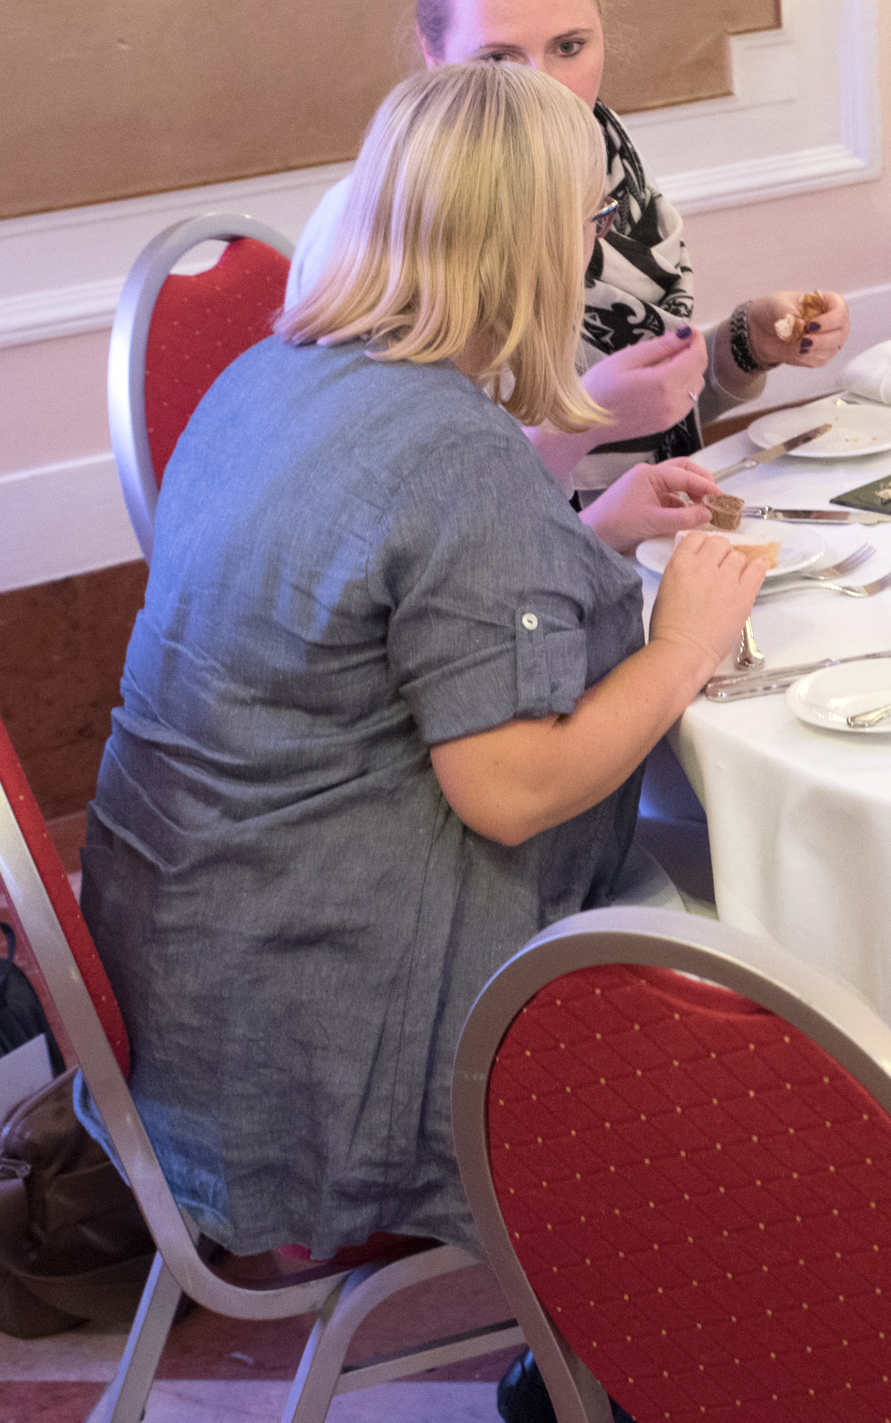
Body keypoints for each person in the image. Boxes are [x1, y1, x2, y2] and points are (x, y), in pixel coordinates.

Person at [82, 61, 766, 1272]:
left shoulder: (269, 373)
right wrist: (682, 647)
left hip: (184, 973)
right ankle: (667, 1301)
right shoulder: (456, 455)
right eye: (589, 220)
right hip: (321, 1030)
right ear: (532, 246)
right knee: (762, 930)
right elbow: (512, 790)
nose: (595, 245)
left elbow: (384, 584)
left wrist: (586, 532)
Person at [290, 0, 852, 496]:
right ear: (434, 55)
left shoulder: (615, 179)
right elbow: (414, 517)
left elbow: (643, 420)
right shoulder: (381, 227)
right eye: (499, 59)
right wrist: (577, 429)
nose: (549, 88)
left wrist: (743, 347)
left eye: (569, 47)